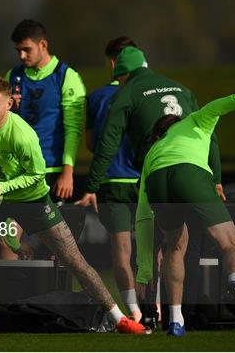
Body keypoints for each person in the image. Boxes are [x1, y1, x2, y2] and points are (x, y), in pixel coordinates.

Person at [0, 77, 150, 337]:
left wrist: (1, 188)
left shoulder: (23, 134)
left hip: (32, 201)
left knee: (75, 262)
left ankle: (119, 319)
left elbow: (37, 175)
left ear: (9, 105)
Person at [76, 45, 224, 328]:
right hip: (193, 173)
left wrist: (91, 184)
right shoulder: (182, 88)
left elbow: (105, 143)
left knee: (150, 249)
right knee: (186, 245)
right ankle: (186, 314)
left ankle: (147, 314)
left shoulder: (125, 93)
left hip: (154, 176)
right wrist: (216, 178)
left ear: (122, 73)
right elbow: (209, 133)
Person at [136, 94, 235, 336]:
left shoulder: (152, 153)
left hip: (157, 180)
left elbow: (143, 214)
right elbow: (216, 106)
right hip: (190, 174)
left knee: (174, 247)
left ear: (159, 135)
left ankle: (176, 320)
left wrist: (144, 269)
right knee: (229, 244)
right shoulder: (194, 121)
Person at [84, 36, 142, 321]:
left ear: (112, 62)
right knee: (152, 252)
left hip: (110, 182)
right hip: (143, 180)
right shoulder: (147, 93)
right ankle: (155, 308)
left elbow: (92, 145)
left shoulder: (96, 97)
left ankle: (134, 312)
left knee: (122, 251)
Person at [6, 20, 85, 228]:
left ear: (43, 45)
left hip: (52, 170)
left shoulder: (66, 76)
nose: (21, 56)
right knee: (7, 241)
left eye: (26, 49)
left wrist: (67, 173)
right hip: (19, 172)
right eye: (18, 50)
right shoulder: (12, 76)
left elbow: (73, 129)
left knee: (56, 246)